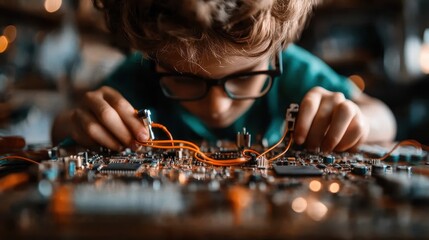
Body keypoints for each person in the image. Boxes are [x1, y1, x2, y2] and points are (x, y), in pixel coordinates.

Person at [51, 0, 396, 153]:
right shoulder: (137, 76)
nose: (217, 106)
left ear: (275, 51)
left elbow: (385, 119)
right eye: (184, 78)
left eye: (244, 78)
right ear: (151, 55)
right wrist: (80, 122)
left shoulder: (295, 71)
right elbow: (61, 127)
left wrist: (358, 120)